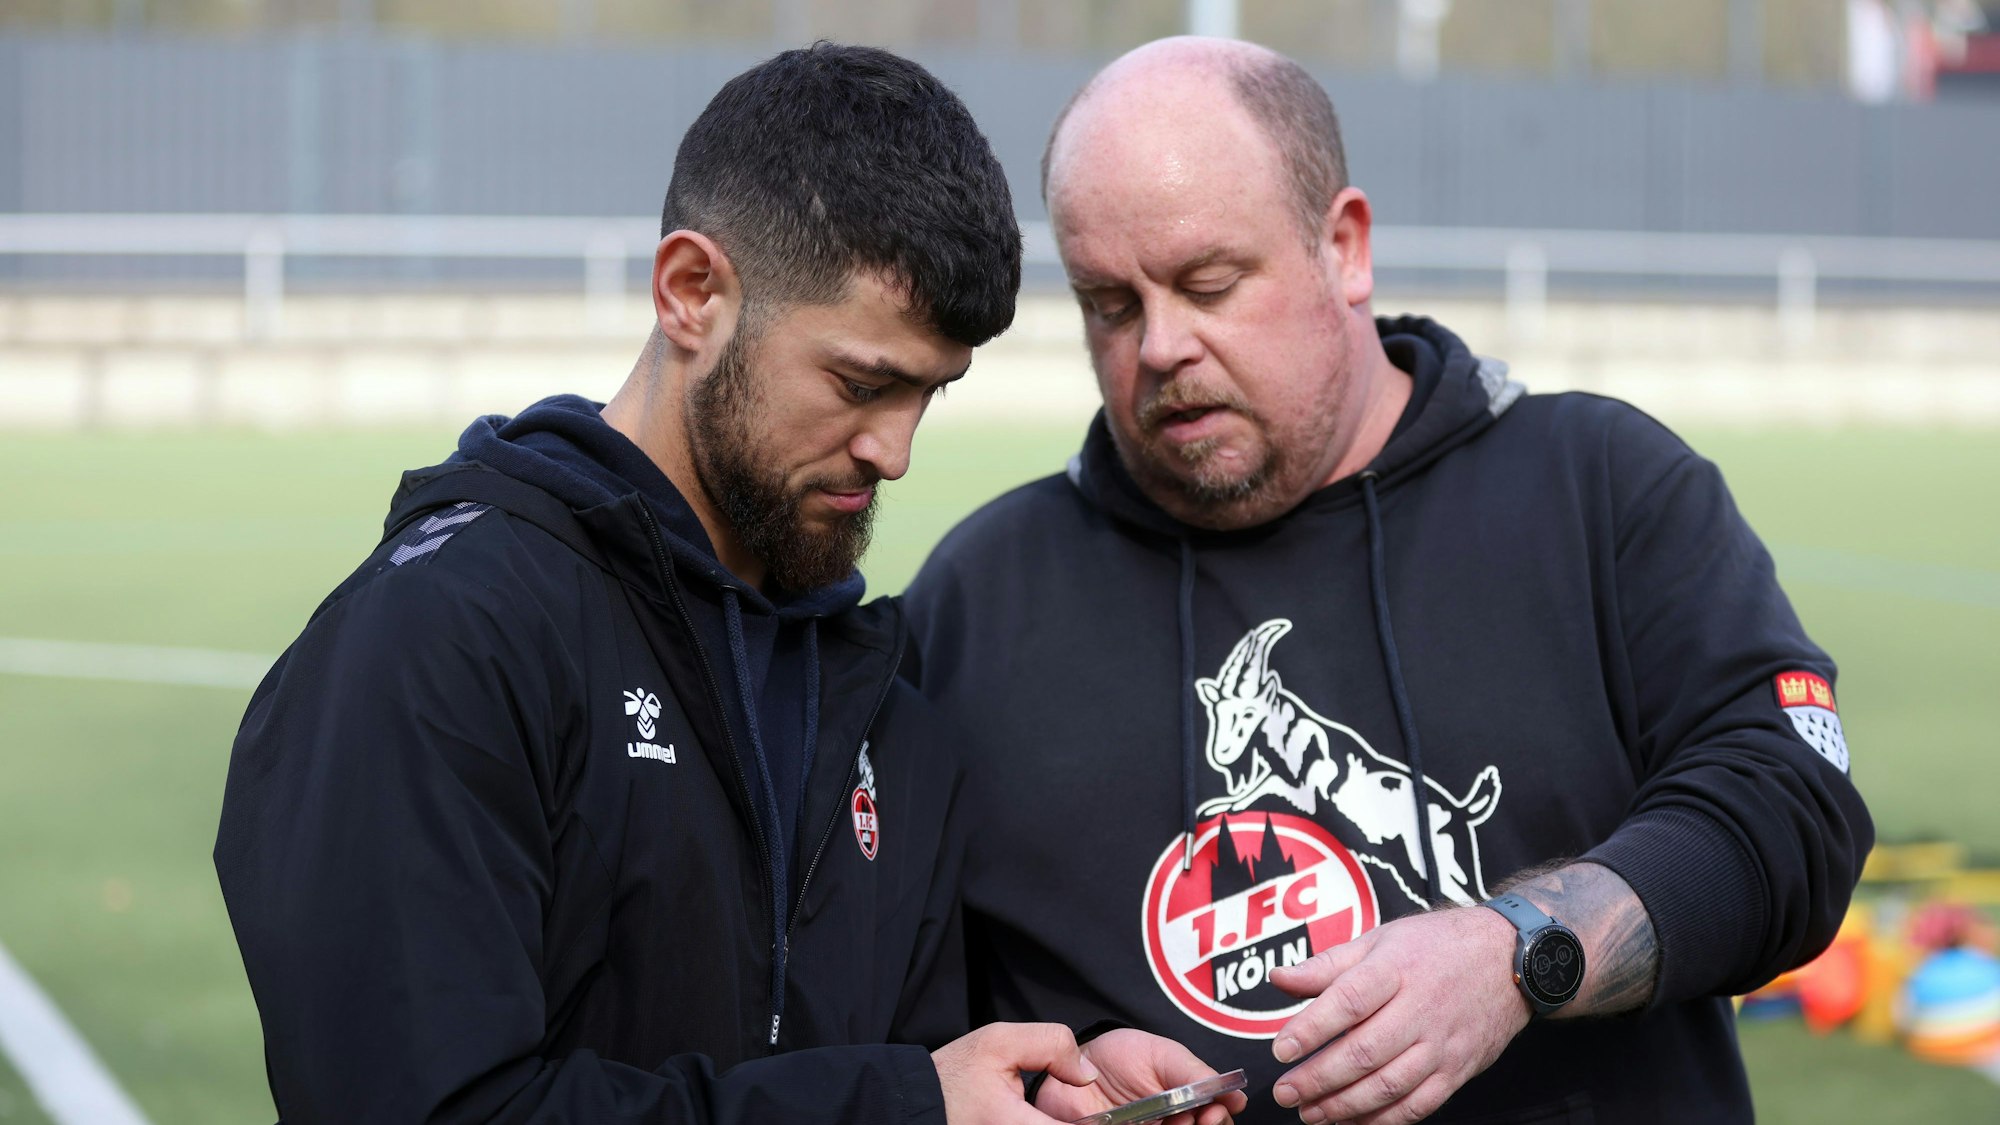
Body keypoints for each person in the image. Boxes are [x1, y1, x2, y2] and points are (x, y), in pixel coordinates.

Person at [214, 43, 1242, 1125]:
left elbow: (895, 1066)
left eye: (927, 395)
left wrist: (1044, 1088)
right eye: (860, 382)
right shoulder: (441, 636)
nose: (892, 452)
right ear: (691, 292)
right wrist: (893, 1109)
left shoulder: (877, 703)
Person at [901, 36, 1872, 1125]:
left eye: (1208, 284)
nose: (1160, 345)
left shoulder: (1598, 489)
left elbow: (1790, 808)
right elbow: (906, 1013)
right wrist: (1054, 1080)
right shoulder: (977, 601)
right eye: (1108, 305)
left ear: (1344, 247)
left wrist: (1517, 954)